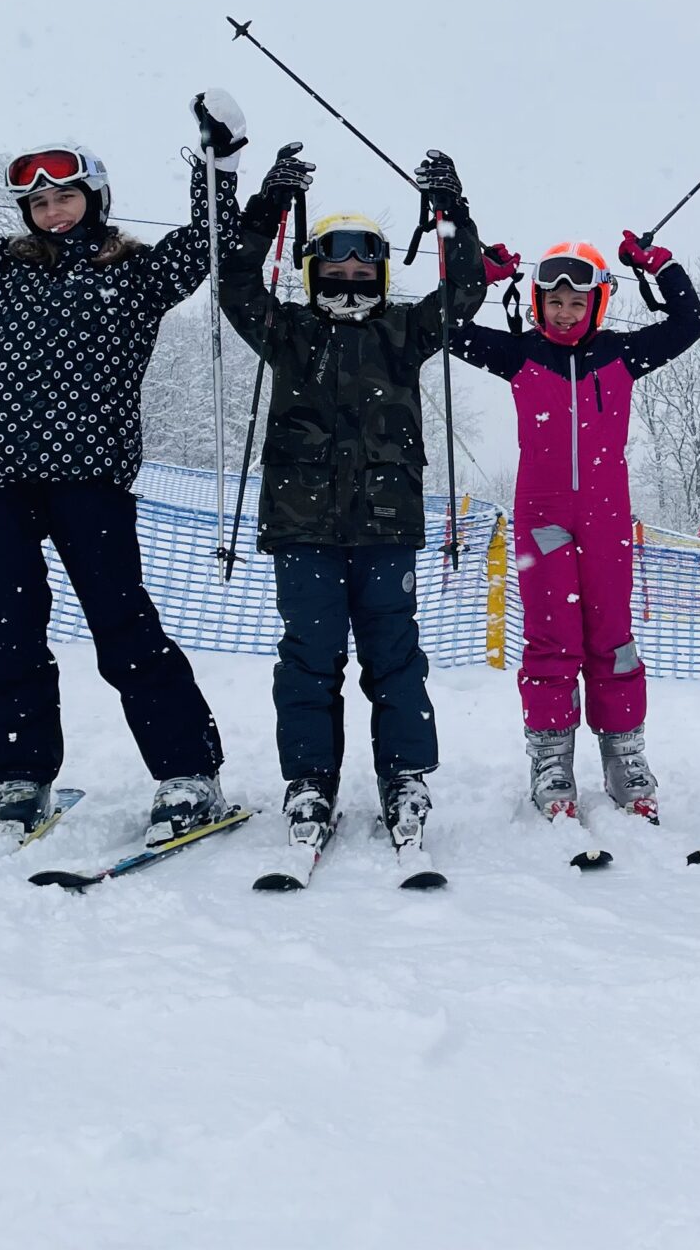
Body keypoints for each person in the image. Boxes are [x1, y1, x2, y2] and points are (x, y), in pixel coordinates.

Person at [0, 62, 240, 846]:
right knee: (6, 632)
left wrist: (219, 164)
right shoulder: (2, 270)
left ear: (96, 198)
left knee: (124, 628)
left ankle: (187, 772)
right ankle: (22, 778)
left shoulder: (139, 275)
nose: (51, 211)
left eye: (65, 196)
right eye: (38, 201)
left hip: (90, 476)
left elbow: (212, 239)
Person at [219, 142, 485, 864]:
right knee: (309, 658)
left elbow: (465, 294)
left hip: (385, 528)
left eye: (362, 269)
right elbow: (236, 283)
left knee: (395, 659)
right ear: (312, 273)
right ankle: (310, 779)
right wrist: (269, 203)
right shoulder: (289, 333)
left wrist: (452, 214)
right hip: (302, 528)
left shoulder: (401, 334)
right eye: (333, 269)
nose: (348, 280)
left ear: (381, 272)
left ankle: (404, 777)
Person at [449, 232, 700, 821]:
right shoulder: (520, 353)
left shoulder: (619, 354)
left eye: (576, 304)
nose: (564, 314)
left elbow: (688, 324)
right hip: (541, 514)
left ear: (596, 306)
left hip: (606, 513)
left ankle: (624, 757)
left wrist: (659, 265)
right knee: (550, 637)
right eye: (554, 302)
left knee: (612, 637)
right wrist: (478, 278)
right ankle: (551, 759)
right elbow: (444, 328)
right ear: (537, 304)